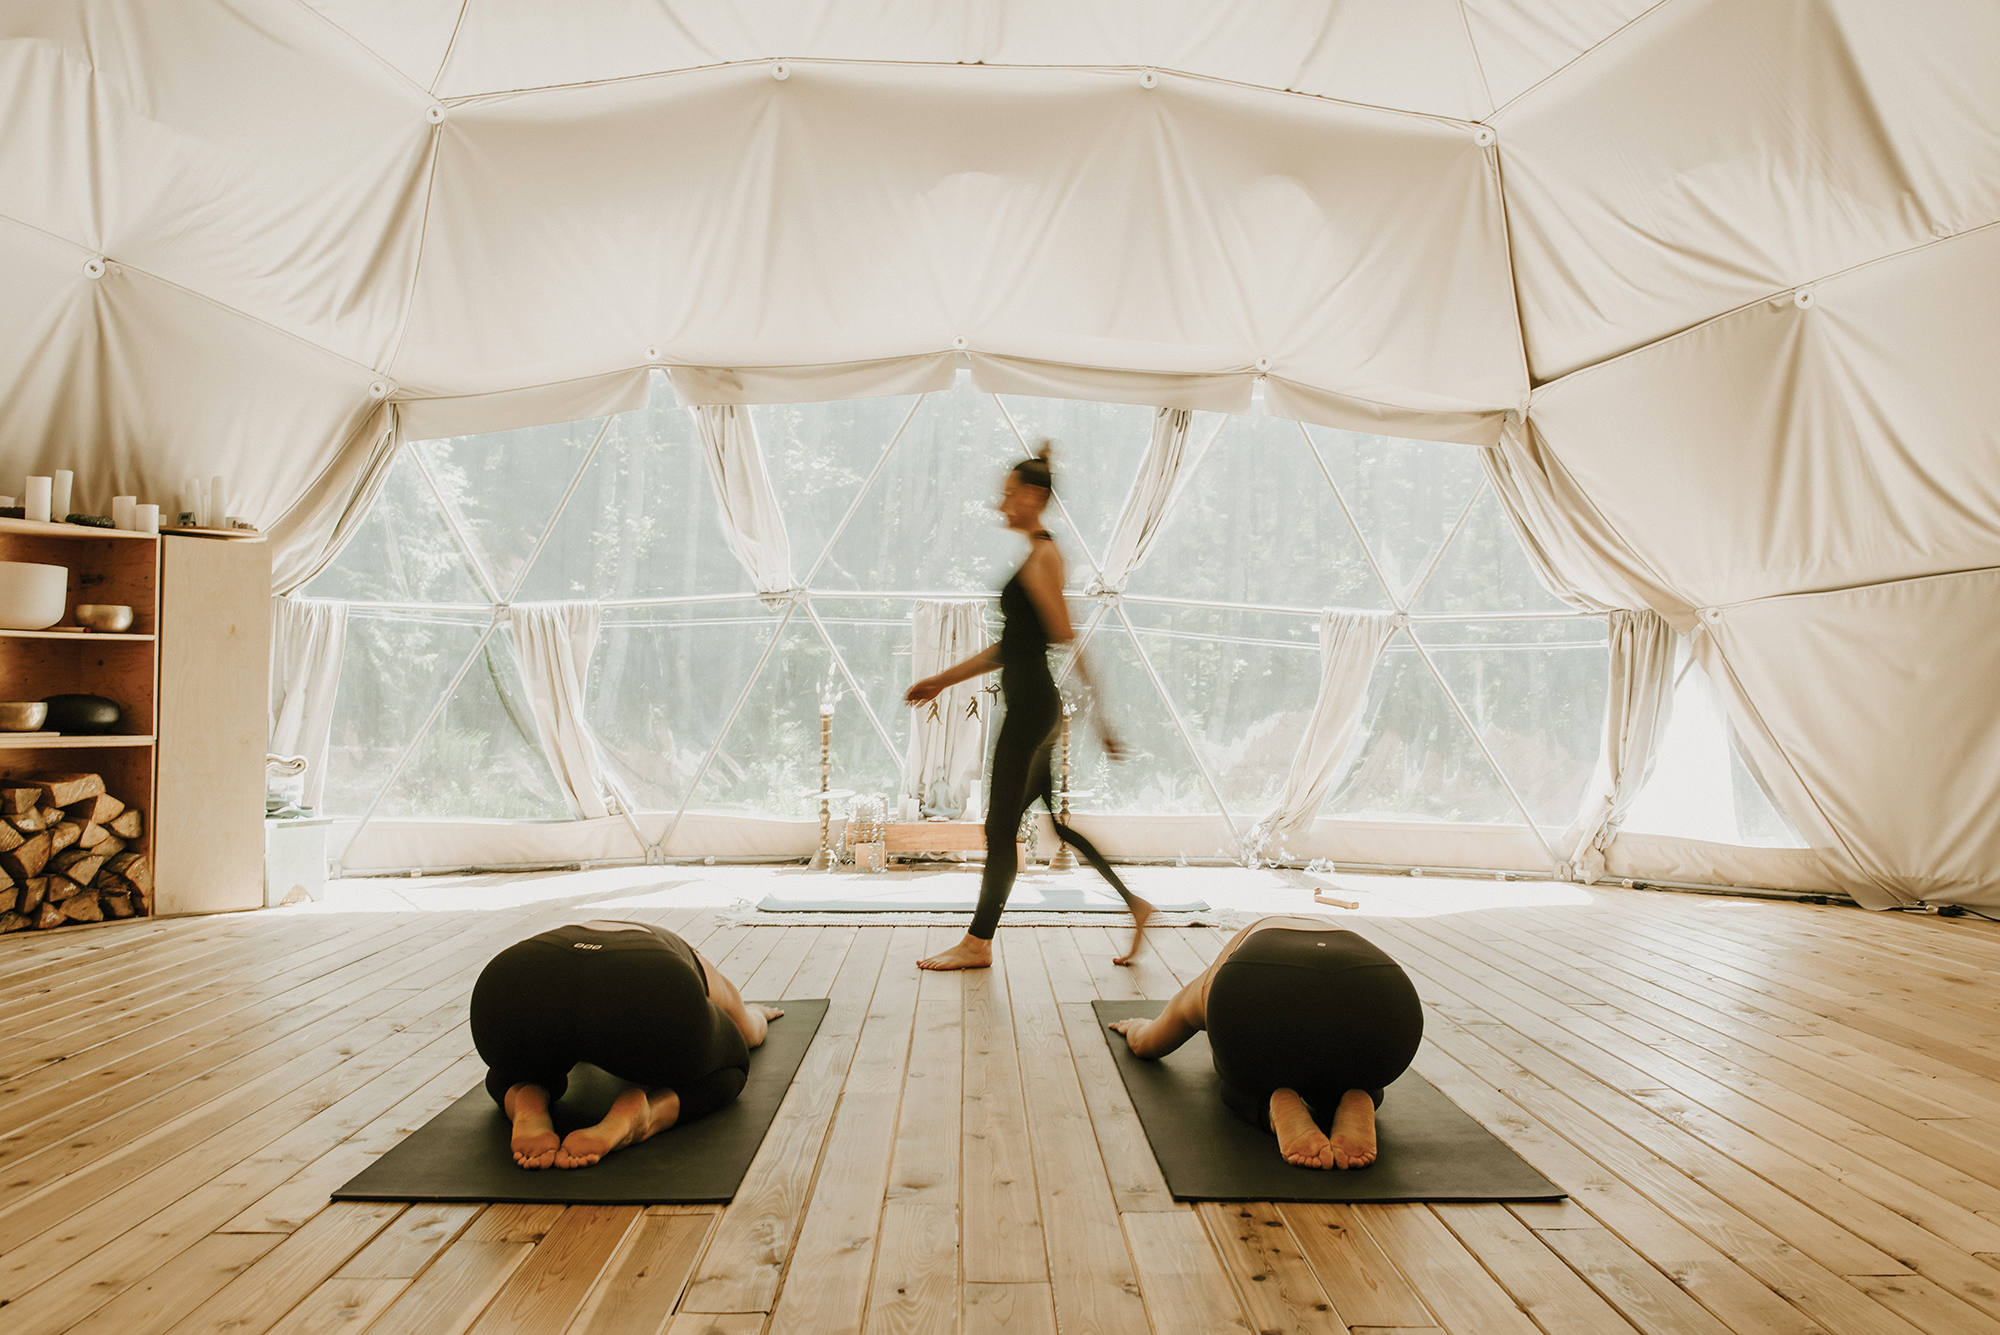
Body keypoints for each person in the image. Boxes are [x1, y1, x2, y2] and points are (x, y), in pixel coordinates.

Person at [905, 444, 1153, 971]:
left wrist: (1102, 719)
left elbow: (1068, 637)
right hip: (1035, 707)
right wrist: (943, 681)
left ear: (1033, 496)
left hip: (1032, 710)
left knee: (999, 830)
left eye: (1009, 494)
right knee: (1048, 825)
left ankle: (977, 944)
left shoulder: (1043, 557)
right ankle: (1135, 905)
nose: (1001, 506)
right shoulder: (1039, 555)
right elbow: (1013, 647)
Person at [1107, 915, 1423, 1169]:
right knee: (1360, 1068)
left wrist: (1136, 1027)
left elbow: (1147, 1043)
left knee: (1235, 1082)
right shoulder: (1323, 931)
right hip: (1386, 994)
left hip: (1258, 982)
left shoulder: (1220, 976)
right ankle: (1362, 1094)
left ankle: (1272, 1106)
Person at [469, 919, 783, 1169]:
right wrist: (756, 1012)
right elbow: (747, 1033)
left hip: (517, 973)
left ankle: (526, 1097)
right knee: (733, 1067)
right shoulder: (678, 953)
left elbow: (576, 1008)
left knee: (508, 1065)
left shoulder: (574, 930)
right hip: (645, 981)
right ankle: (646, 1115)